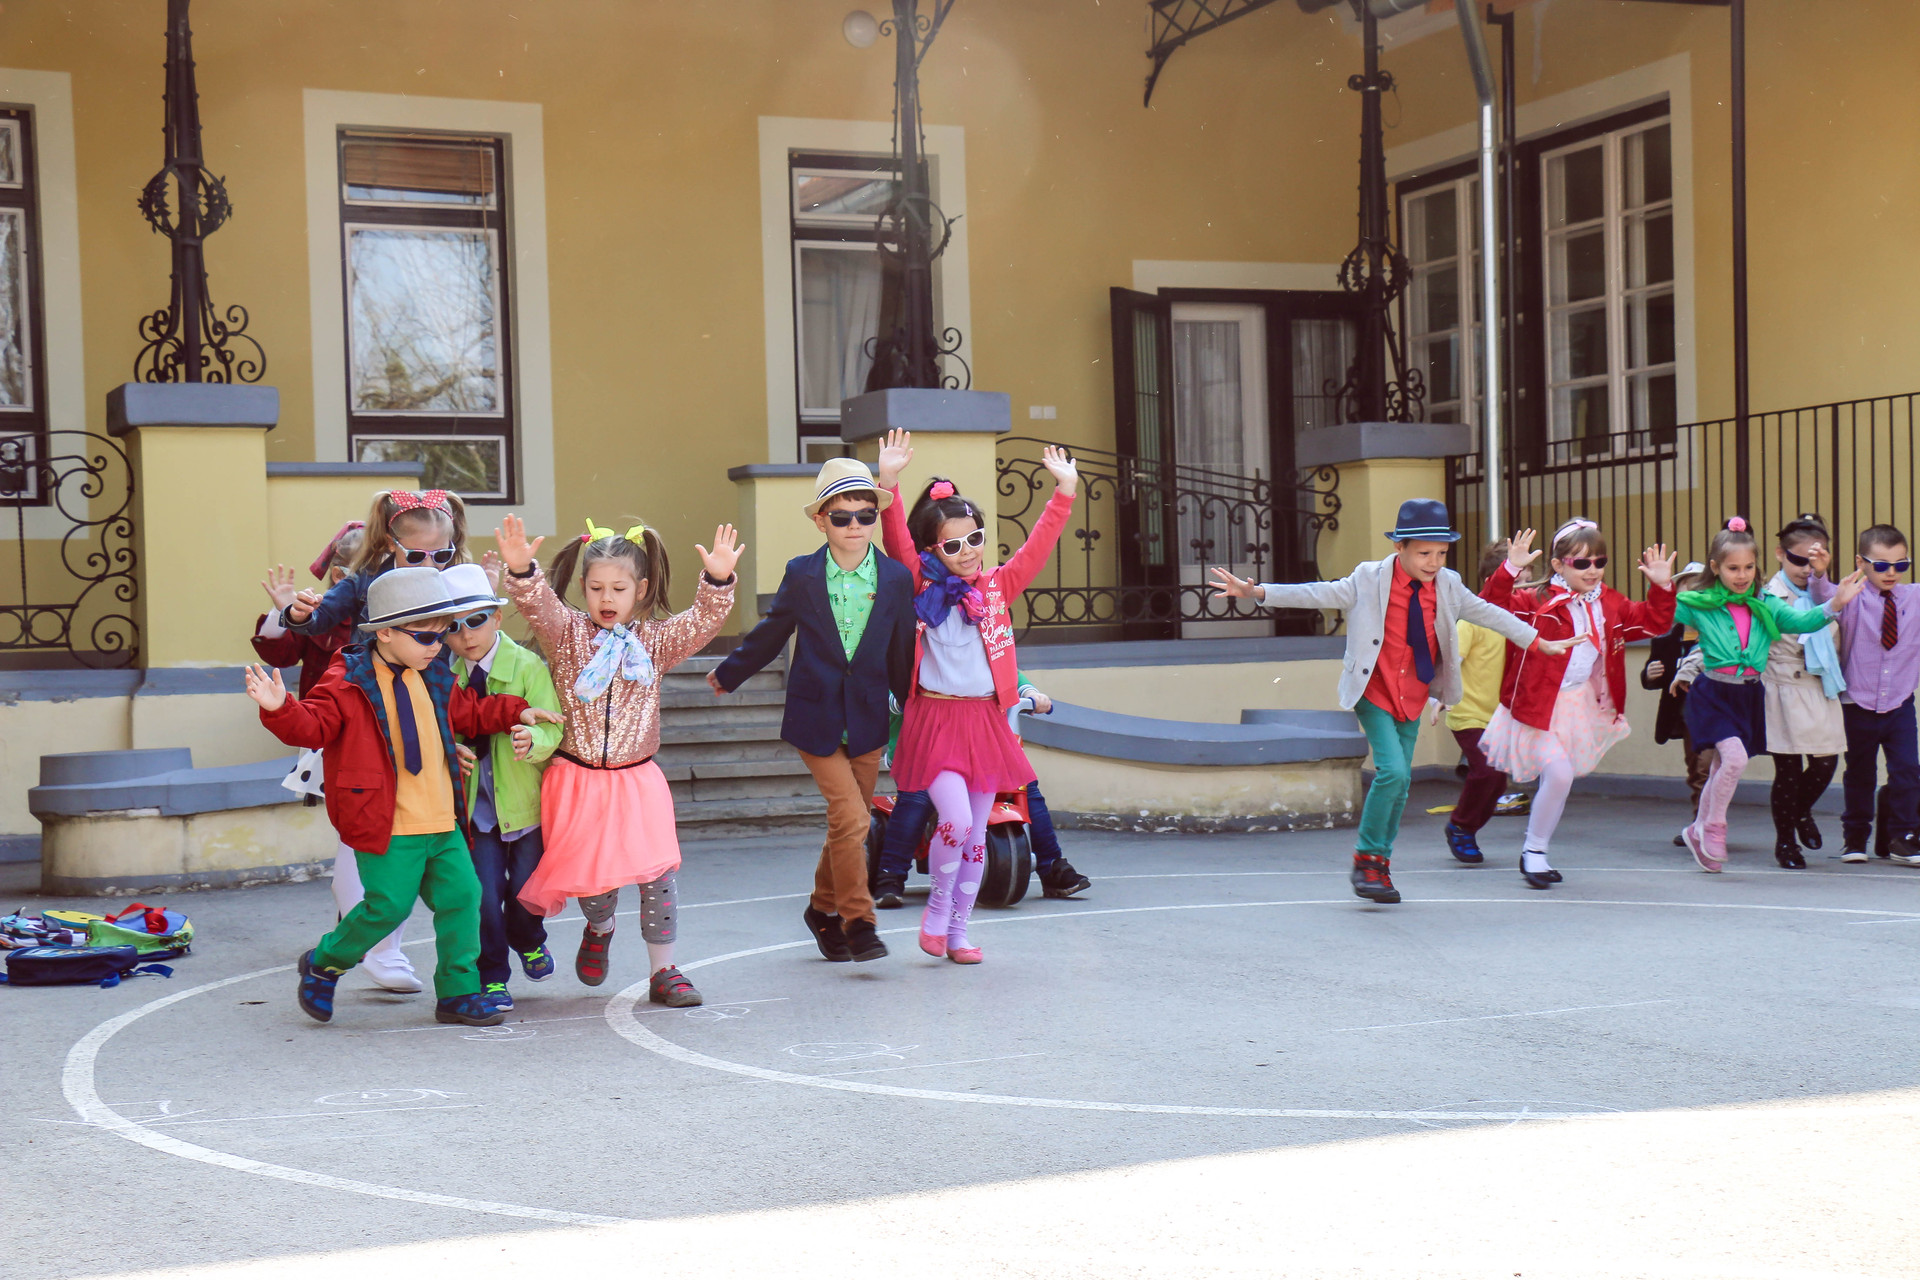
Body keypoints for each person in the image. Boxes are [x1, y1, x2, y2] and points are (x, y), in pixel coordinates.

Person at [242, 567, 559, 1027]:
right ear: (386, 632)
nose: (437, 646)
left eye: (442, 634)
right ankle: (325, 961)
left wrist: (517, 709)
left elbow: (470, 711)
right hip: (389, 824)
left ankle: (458, 991)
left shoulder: (433, 674)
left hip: (443, 822)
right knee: (386, 908)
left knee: (463, 898)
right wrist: (279, 708)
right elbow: (313, 725)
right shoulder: (347, 679)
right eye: (426, 637)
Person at [1212, 500, 1572, 904]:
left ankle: (1379, 865)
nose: (1434, 562)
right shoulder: (1369, 578)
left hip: (1414, 693)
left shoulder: (1448, 585)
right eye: (1424, 553)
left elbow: (1490, 612)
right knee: (1394, 773)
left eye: (1441, 553)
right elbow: (1318, 592)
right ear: (1400, 547)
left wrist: (1538, 642)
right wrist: (1257, 592)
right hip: (1374, 690)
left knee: (1399, 786)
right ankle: (1366, 860)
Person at [496, 513, 740, 1005]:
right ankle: (600, 926)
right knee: (597, 884)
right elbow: (538, 604)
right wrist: (522, 571)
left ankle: (664, 970)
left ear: (641, 590)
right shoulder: (566, 635)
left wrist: (717, 582)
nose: (606, 599)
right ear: (583, 588)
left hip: (637, 782)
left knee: (658, 879)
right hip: (577, 782)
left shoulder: (656, 641)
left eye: (619, 589)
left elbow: (701, 623)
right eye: (596, 588)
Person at [875, 429, 1077, 963]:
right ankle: (937, 912)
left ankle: (959, 933)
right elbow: (896, 540)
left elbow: (1038, 549)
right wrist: (888, 482)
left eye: (975, 539)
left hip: (985, 723)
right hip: (935, 721)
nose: (967, 552)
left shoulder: (996, 587)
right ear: (931, 549)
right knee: (957, 822)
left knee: (976, 835)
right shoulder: (920, 585)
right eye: (952, 545)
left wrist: (1064, 493)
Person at [708, 458, 916, 964]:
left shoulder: (895, 578)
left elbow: (901, 651)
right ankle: (858, 921)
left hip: (867, 717)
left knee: (849, 823)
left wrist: (909, 711)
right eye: (842, 517)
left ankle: (821, 910)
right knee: (852, 817)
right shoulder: (802, 573)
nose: (854, 526)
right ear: (821, 521)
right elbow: (774, 630)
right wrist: (731, 672)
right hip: (815, 715)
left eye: (865, 516)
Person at [254, 521, 422, 994]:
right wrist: (284, 610)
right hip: (333, 731)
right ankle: (372, 940)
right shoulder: (327, 615)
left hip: (395, 730)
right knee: (360, 832)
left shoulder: (402, 616)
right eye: (339, 571)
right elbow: (283, 650)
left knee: (389, 836)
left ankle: (367, 938)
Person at [1477, 520, 1677, 888]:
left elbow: (1654, 622)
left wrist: (1662, 587)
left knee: (1559, 779)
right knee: (1559, 774)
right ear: (1558, 565)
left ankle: (1535, 851)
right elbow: (1492, 605)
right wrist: (1510, 569)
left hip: (1578, 705)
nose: (1593, 570)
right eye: (1581, 563)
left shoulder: (1610, 602)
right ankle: (1534, 852)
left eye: (1600, 562)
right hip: (1536, 704)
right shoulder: (1534, 601)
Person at [1670, 517, 1864, 872]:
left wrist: (1835, 603)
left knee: (1728, 765)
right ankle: (1717, 828)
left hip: (1755, 694)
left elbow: (1805, 622)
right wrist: (1659, 586)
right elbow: (1672, 624)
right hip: (1724, 692)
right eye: (1733, 568)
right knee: (1738, 762)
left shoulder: (1765, 603)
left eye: (1748, 567)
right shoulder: (1705, 602)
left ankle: (1699, 829)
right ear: (1716, 568)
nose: (1742, 575)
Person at [441, 563, 565, 1011]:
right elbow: (442, 729)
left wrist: (534, 740)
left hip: (525, 807)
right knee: (483, 896)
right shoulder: (446, 676)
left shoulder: (528, 666)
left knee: (527, 892)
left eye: (475, 620)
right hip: (477, 811)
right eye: (452, 627)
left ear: (496, 617)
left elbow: (553, 726)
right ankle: (492, 975)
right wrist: (450, 749)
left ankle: (528, 938)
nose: (466, 635)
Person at [871, 673, 1090, 906]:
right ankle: (891, 874)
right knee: (917, 798)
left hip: (977, 745)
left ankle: (1051, 865)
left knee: (1026, 789)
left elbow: (1006, 672)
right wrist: (905, 699)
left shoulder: (981, 655)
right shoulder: (915, 656)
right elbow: (891, 692)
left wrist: (1030, 693)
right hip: (922, 748)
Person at [1808, 522, 1920, 864]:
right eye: (1882, 565)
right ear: (1861, 562)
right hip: (1857, 704)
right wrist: (1819, 573)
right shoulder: (1852, 596)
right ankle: (1855, 838)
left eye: (1901, 564)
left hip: (1900, 704)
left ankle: (1903, 837)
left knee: (1907, 771)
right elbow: (1824, 598)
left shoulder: (1914, 597)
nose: (1891, 573)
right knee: (1859, 774)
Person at [1754, 515, 1847, 868]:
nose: (1806, 569)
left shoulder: (1828, 591)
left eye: (1815, 560)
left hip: (1820, 685)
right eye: (1798, 560)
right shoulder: (1768, 594)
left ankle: (1801, 811)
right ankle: (1785, 843)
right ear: (1780, 554)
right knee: (1788, 770)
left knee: (1826, 762)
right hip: (1783, 685)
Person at [283, 489, 469, 637]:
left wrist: (481, 598)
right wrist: (301, 615)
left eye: (441, 555)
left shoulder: (455, 580)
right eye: (416, 556)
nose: (429, 566)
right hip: (372, 672)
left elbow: (470, 634)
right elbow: (322, 617)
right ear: (391, 543)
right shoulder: (364, 580)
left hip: (435, 673)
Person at [1440, 539, 1514, 865]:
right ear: (1491, 581)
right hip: (1468, 713)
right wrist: (1439, 697)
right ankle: (1461, 826)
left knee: (1497, 781)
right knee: (1486, 772)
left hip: (1499, 717)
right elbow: (1452, 661)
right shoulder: (1472, 619)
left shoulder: (1517, 621)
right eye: (1515, 581)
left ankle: (1466, 828)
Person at [1640, 570, 1711, 847]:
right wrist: (1649, 675)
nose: (1691, 596)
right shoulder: (1667, 636)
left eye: (1698, 589)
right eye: (1685, 591)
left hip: (1716, 708)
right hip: (1685, 712)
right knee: (1696, 769)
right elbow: (1653, 675)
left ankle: (1707, 828)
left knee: (1706, 767)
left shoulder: (1719, 629)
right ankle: (1701, 825)